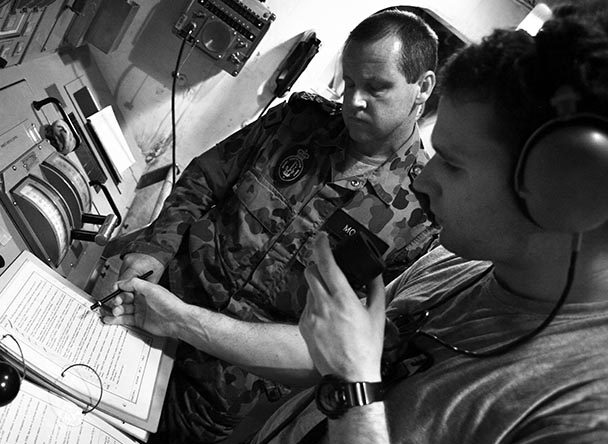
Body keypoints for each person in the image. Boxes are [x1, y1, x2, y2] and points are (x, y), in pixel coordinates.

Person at [249, 3, 608, 443]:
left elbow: (350, 376)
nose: (426, 181)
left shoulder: (582, 414)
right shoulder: (451, 262)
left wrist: (352, 388)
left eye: (454, 166)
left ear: (564, 194)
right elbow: (331, 357)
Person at [105, 10, 439, 443]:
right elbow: (206, 177)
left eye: (375, 88)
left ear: (422, 88)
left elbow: (340, 351)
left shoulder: (420, 219)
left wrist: (184, 322)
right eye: (349, 83)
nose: (353, 102)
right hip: (148, 320)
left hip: (217, 404)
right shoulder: (299, 121)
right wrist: (157, 248)